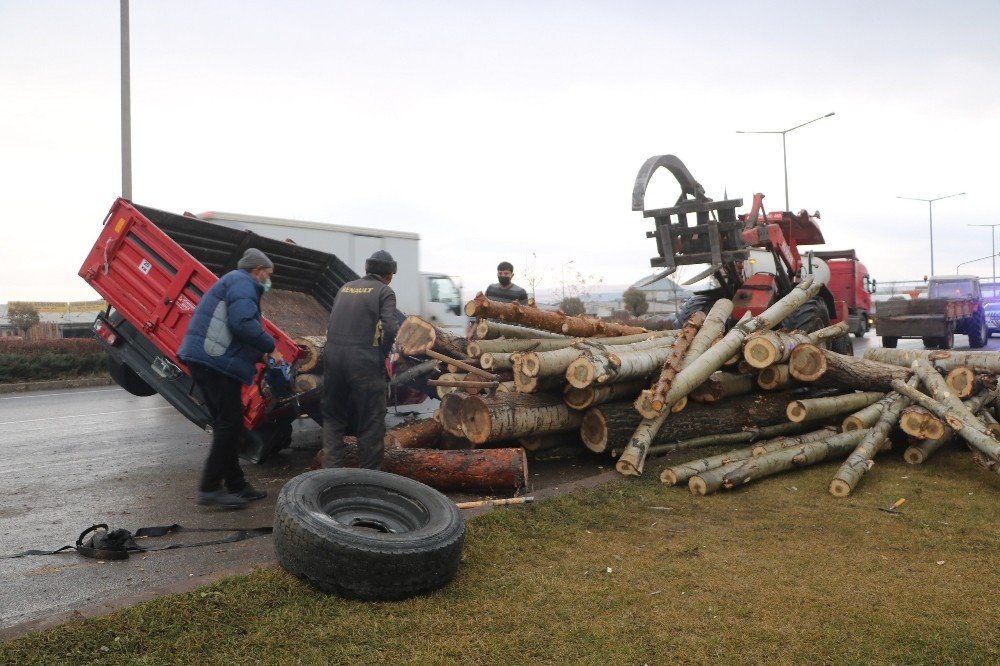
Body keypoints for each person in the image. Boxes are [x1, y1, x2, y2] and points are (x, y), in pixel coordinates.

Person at [178, 248, 278, 509]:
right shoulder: (243, 283)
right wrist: (270, 346)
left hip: (209, 359)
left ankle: (236, 484)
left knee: (228, 424)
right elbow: (243, 323)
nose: (269, 280)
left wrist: (258, 354)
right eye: (268, 274)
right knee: (230, 425)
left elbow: (233, 328)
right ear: (256, 270)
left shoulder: (236, 283)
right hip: (213, 360)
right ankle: (210, 489)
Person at [322, 250, 399, 470]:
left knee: (334, 418)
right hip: (363, 359)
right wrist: (382, 352)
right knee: (371, 421)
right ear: (389, 274)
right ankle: (368, 480)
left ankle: (329, 477)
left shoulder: (346, 287)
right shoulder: (384, 291)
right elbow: (390, 327)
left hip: (333, 357)